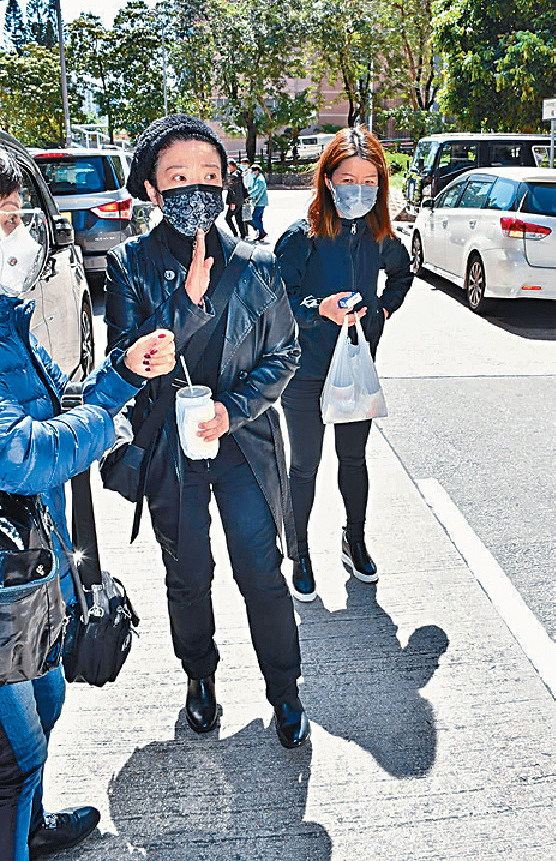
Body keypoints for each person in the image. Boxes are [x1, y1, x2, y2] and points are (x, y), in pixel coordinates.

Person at [105, 113, 310, 749]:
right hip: (171, 451)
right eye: (178, 176)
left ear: (227, 185)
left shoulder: (255, 263)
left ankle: (286, 691)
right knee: (188, 576)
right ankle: (200, 680)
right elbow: (122, 361)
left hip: (242, 447)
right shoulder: (129, 264)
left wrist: (234, 410)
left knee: (261, 570)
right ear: (151, 189)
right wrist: (182, 309)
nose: (197, 188)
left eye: (210, 176)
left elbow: (285, 353)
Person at [0, 148, 176, 861]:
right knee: (14, 754)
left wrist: (117, 380)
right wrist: (109, 422)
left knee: (45, 702)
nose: (14, 235)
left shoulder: (7, 314)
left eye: (14, 216)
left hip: (25, 569)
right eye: (1, 219)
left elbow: (44, 412)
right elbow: (19, 452)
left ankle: (31, 829)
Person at [275, 126, 413, 602]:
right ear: (328, 179)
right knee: (305, 465)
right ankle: (300, 553)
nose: (359, 189)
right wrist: (319, 309)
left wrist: (384, 308)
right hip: (306, 369)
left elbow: (402, 271)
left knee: (353, 459)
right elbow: (278, 301)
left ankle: (354, 541)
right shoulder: (301, 237)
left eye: (369, 180)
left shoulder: (379, 234)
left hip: (356, 365)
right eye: (349, 178)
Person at [225, 158, 247, 239]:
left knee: (228, 218)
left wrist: (232, 202)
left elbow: (234, 191)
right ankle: (243, 234)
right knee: (239, 218)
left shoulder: (234, 176)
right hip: (240, 201)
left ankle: (235, 233)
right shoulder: (238, 174)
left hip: (235, 202)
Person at [248, 163, 268, 242]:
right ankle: (261, 234)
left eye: (253, 171)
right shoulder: (258, 178)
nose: (252, 173)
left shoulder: (260, 179)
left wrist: (249, 194)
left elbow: (257, 190)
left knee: (255, 217)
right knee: (259, 218)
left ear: (257, 171)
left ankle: (262, 232)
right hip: (259, 202)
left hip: (260, 202)